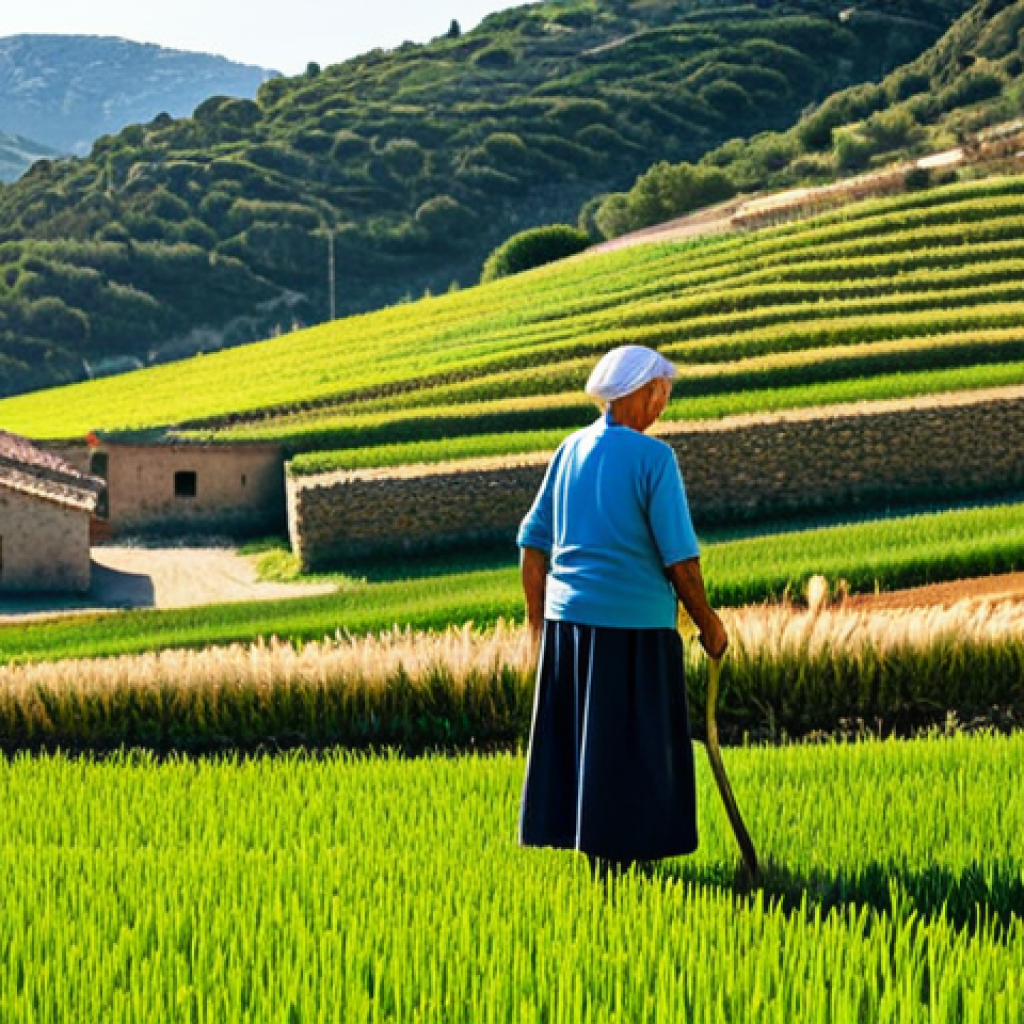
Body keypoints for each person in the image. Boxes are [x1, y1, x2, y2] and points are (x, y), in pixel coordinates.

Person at [517, 344, 728, 868]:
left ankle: (603, 867)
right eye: (662, 394)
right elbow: (681, 561)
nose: (663, 406)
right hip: (632, 631)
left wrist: (538, 628)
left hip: (569, 632)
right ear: (641, 392)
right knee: (638, 755)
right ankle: (632, 867)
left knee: (590, 755)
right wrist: (709, 624)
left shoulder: (570, 450)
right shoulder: (654, 460)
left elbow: (532, 546)